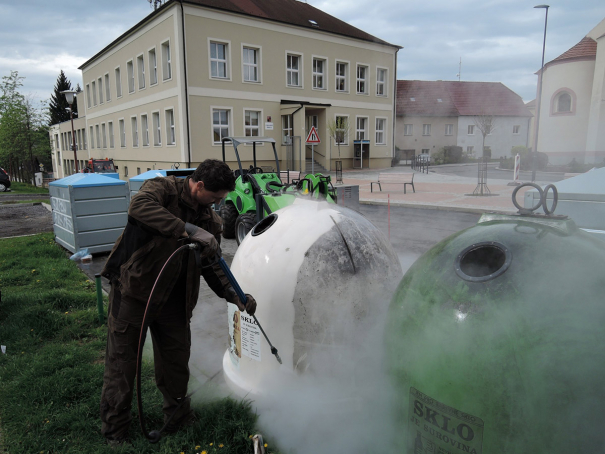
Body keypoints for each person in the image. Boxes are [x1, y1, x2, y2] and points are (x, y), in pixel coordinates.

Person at [99, 159, 257, 445]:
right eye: (216, 197)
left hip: (174, 301)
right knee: (122, 363)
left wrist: (236, 295)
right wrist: (189, 230)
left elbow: (213, 266)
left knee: (176, 362)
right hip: (134, 293)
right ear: (198, 185)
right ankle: (115, 430)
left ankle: (177, 418)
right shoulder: (161, 189)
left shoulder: (210, 220)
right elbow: (139, 208)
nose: (218, 204)